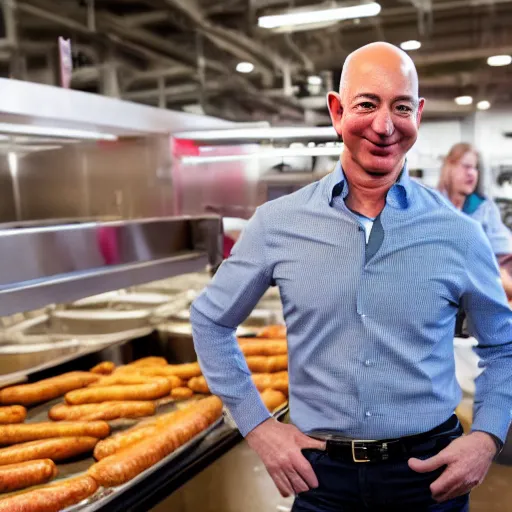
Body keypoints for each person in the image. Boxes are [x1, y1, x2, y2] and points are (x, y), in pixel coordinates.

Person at [191, 42, 512, 512]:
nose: (384, 125)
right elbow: (210, 321)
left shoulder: (459, 234)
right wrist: (257, 426)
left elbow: (503, 345)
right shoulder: (277, 224)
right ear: (337, 111)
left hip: (427, 478)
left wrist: (486, 437)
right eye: (367, 104)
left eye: (401, 107)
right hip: (321, 478)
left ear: (418, 115)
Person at [438, 142, 512, 299]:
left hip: (480, 292)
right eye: (466, 166)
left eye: (475, 168)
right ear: (449, 167)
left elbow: (503, 253)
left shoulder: (485, 208)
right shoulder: (431, 205)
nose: (472, 173)